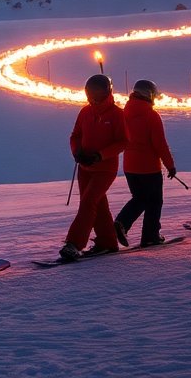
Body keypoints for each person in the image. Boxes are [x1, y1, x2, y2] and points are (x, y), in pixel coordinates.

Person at [59, 75, 127, 260]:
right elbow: (75, 135)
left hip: (105, 169)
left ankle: (74, 243)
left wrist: (100, 155)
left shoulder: (116, 114)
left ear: (108, 93)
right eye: (91, 96)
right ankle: (108, 241)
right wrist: (77, 152)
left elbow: (123, 142)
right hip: (85, 169)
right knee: (97, 205)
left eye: (98, 96)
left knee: (88, 203)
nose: (94, 100)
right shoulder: (85, 112)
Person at [114, 79, 176, 247]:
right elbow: (160, 144)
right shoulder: (151, 115)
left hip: (129, 166)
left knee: (140, 198)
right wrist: (170, 165)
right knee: (154, 201)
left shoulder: (124, 112)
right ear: (149, 95)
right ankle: (150, 235)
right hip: (148, 167)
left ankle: (121, 223)